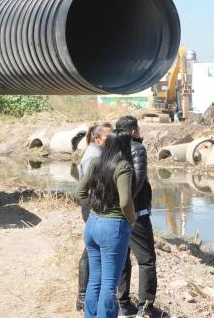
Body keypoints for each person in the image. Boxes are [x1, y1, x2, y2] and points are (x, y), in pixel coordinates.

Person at [77, 129, 136, 318]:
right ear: (125, 145)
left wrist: (96, 209)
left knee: (95, 279)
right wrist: (132, 221)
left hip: (92, 225)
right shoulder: (124, 167)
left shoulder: (96, 162)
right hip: (113, 228)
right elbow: (125, 202)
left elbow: (80, 194)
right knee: (109, 284)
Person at [115, 116, 159, 317]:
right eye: (138, 129)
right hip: (136, 213)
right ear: (134, 131)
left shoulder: (112, 147)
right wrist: (129, 209)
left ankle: (123, 304)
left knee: (123, 258)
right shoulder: (137, 148)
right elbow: (138, 181)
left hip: (116, 212)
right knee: (146, 260)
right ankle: (146, 307)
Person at [77, 122, 114, 311]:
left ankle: (88, 294)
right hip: (92, 207)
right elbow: (84, 190)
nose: (112, 138)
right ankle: (83, 295)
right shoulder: (93, 155)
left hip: (95, 206)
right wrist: (95, 206)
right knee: (91, 250)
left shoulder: (99, 153)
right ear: (97, 138)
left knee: (94, 250)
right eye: (109, 136)